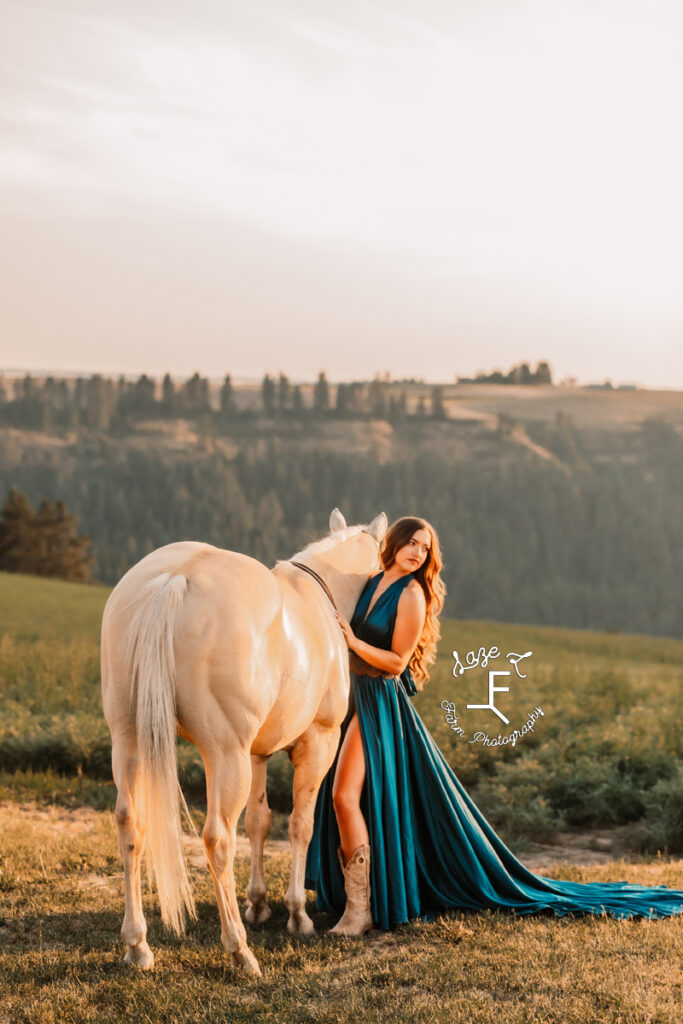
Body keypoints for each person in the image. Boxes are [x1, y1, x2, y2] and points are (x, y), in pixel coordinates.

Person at [304, 515, 683, 934]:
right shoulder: (373, 582)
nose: (417, 553)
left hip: (378, 705)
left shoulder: (412, 596)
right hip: (350, 699)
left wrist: (354, 643)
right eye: (411, 543)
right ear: (392, 543)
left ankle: (360, 912)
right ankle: (354, 897)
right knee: (342, 795)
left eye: (425, 548)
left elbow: (395, 663)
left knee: (343, 796)